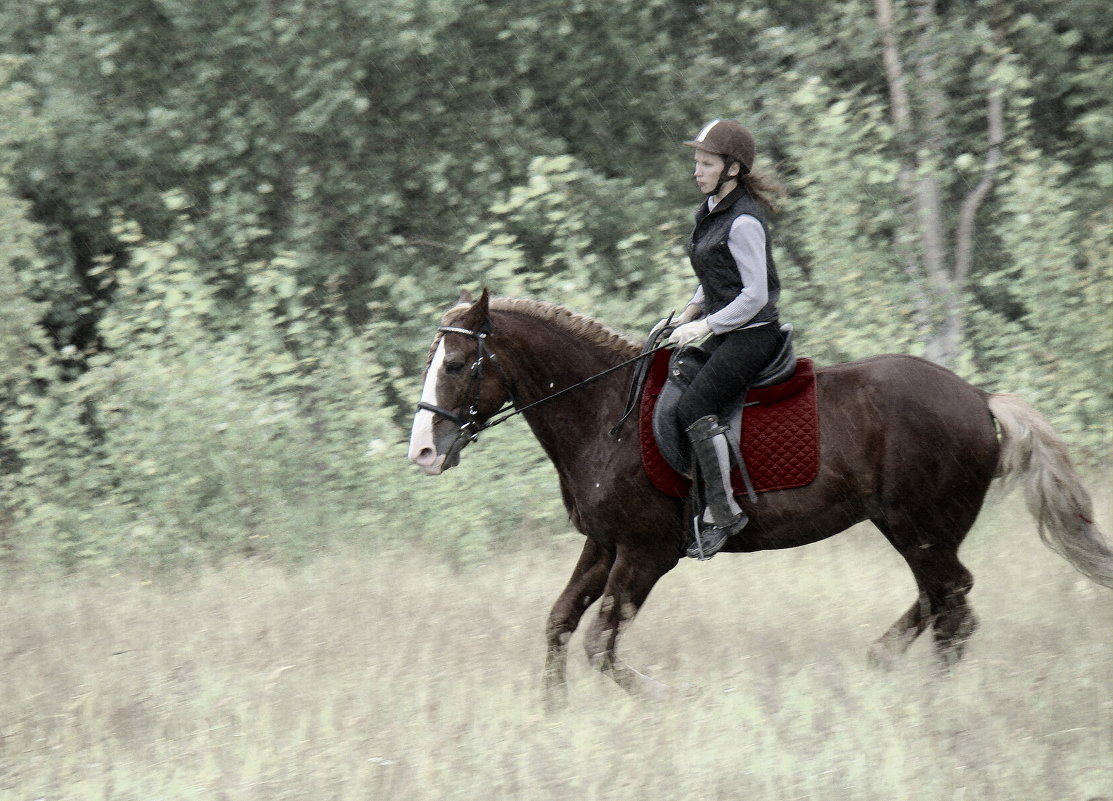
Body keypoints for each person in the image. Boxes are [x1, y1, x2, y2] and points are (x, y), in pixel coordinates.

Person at [664, 118, 786, 560]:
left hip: (751, 335)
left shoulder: (744, 222)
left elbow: (754, 295)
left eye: (707, 163)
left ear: (732, 168)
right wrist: (689, 313)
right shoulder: (711, 210)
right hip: (723, 327)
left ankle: (724, 512)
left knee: (695, 406)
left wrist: (707, 326)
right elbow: (714, 275)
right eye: (696, 162)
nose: (697, 171)